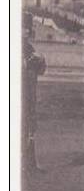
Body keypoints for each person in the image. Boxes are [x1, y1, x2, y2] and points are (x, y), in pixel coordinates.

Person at [23, 41, 46, 174]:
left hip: (31, 98)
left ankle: (30, 163)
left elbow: (41, 70)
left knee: (31, 129)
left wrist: (41, 59)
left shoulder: (31, 52)